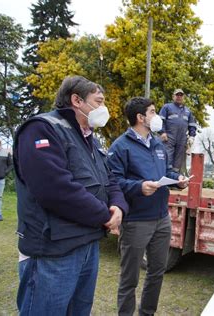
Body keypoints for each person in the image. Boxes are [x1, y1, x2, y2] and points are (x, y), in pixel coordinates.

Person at [13, 75, 128, 315]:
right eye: (99, 101)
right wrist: (104, 216)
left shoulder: (90, 140)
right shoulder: (42, 128)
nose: (103, 108)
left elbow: (110, 180)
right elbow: (54, 189)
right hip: (53, 251)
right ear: (76, 100)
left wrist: (118, 206)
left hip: (87, 245)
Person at [107, 97, 189, 316]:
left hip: (162, 218)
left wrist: (177, 178)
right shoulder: (120, 146)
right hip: (135, 221)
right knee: (129, 278)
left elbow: (166, 171)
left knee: (156, 272)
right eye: (153, 112)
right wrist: (138, 187)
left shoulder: (157, 144)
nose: (157, 116)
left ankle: (147, 313)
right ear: (140, 117)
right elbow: (113, 182)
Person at [159, 89, 197, 172]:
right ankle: (164, 179)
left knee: (178, 162)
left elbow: (192, 125)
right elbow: (160, 121)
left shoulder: (188, 111)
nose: (179, 97)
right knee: (167, 158)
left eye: (181, 95)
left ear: (183, 97)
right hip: (168, 138)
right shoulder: (167, 107)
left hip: (182, 139)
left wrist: (192, 136)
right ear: (173, 96)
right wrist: (162, 132)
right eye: (177, 95)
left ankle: (174, 180)